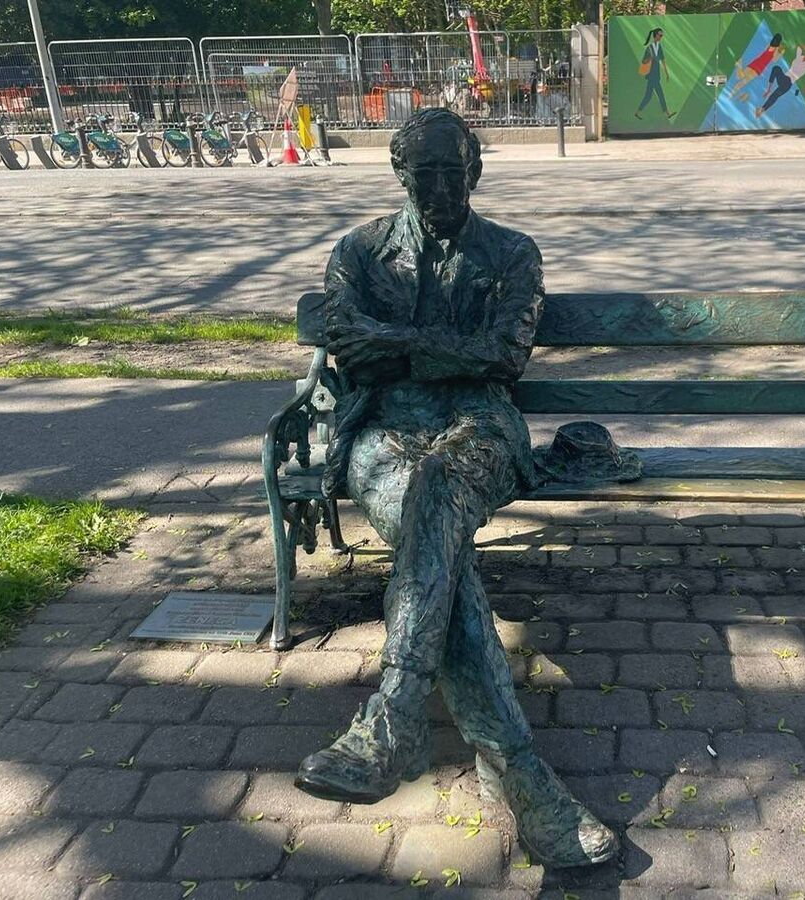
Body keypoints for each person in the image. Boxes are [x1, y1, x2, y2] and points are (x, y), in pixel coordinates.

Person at [293, 107, 618, 870]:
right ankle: (523, 779)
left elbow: (503, 358)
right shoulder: (358, 252)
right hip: (379, 433)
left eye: (453, 172)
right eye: (425, 174)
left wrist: (400, 347)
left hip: (483, 429)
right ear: (399, 173)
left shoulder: (511, 253)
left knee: (436, 489)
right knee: (440, 541)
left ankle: (395, 715)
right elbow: (349, 346)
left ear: (474, 172)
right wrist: (438, 349)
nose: (440, 189)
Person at [756, 44, 805, 117]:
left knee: (775, 95)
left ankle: (762, 110)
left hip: (788, 84)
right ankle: (768, 90)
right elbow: (799, 46)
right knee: (776, 68)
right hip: (784, 77)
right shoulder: (799, 56)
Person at [730, 32, 784, 100]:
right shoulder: (774, 48)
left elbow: (768, 55)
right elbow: (774, 60)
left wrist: (779, 50)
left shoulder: (770, 45)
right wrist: (780, 52)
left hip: (757, 65)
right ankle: (739, 65)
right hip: (759, 67)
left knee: (740, 78)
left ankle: (739, 65)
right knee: (741, 80)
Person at [636, 28, 675, 119]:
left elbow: (663, 60)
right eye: (660, 35)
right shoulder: (649, 48)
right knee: (659, 95)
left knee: (648, 96)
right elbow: (643, 61)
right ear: (656, 35)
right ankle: (667, 113)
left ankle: (637, 112)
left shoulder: (659, 47)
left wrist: (666, 73)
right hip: (651, 75)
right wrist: (650, 58)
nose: (661, 37)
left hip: (656, 75)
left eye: (662, 35)